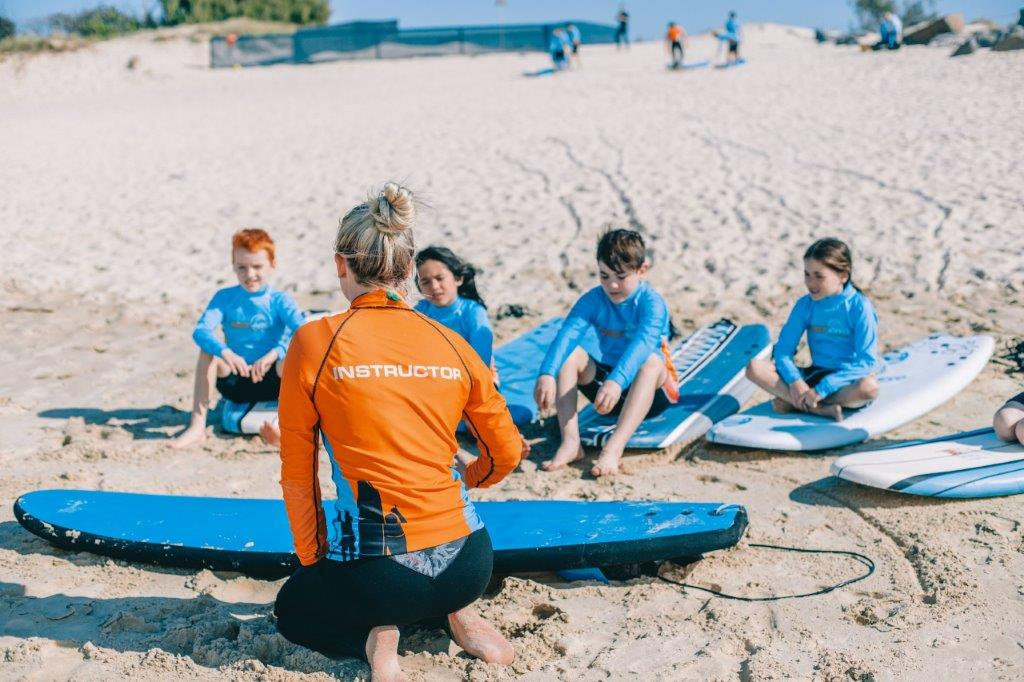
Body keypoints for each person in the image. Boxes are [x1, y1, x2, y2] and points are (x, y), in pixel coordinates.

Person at [273, 182, 522, 680]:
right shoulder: (450, 341)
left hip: (377, 573)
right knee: (437, 562)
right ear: (408, 270)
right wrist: (465, 481)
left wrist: (315, 565)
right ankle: (460, 614)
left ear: (341, 264)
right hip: (470, 563)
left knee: (293, 610)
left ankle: (377, 638)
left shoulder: (314, 342)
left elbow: (299, 475)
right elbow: (508, 452)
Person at [534, 229, 678, 477]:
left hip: (655, 393)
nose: (612, 284)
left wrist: (616, 381)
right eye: (604, 275)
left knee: (651, 361)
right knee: (571, 355)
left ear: (641, 270)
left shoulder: (652, 303)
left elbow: (643, 344)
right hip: (609, 392)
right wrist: (547, 373)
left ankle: (612, 450)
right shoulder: (593, 300)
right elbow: (568, 335)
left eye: (621, 277)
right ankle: (571, 443)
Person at [170, 228, 304, 449]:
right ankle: (197, 427)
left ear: (272, 264)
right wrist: (225, 352)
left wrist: (275, 353)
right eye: (242, 267)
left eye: (257, 266)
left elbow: (302, 330)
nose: (250, 274)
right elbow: (201, 331)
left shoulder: (279, 300)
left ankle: (291, 429)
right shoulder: (225, 298)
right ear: (233, 266)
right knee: (208, 352)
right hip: (236, 379)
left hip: (274, 380)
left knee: (298, 355)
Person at [745, 238, 880, 422]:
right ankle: (819, 409)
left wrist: (822, 389)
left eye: (819, 276)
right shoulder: (805, 305)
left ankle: (794, 402)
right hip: (815, 374)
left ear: (843, 276)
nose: (811, 283)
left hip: (845, 382)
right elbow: (783, 351)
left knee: (869, 388)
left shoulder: (859, 307)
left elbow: (867, 362)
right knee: (754, 368)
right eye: (807, 274)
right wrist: (795, 382)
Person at [415, 246, 493, 367]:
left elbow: (482, 363)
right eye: (425, 282)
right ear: (420, 288)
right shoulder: (419, 313)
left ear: (458, 278)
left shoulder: (474, 313)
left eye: (439, 278)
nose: (434, 286)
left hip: (472, 377)